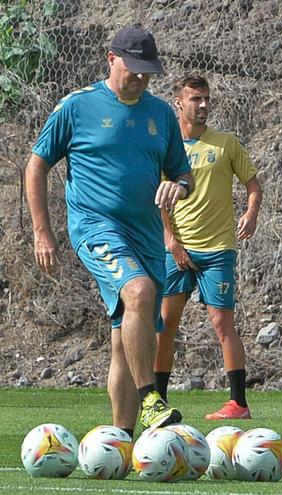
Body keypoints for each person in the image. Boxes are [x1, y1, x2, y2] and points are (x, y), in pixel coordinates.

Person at [25, 26, 193, 435]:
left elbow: (184, 174)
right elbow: (36, 165)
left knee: (124, 340)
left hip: (146, 238)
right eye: (133, 69)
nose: (140, 78)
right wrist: (42, 231)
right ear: (111, 59)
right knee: (138, 291)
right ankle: (153, 399)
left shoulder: (160, 115)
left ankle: (123, 441)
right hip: (95, 227)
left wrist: (180, 185)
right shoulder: (77, 107)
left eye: (147, 72)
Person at [153, 74, 262, 420]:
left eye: (206, 99)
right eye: (195, 99)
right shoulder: (166, 150)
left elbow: (253, 186)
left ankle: (238, 403)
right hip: (178, 252)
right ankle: (156, 401)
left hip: (217, 250)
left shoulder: (225, 144)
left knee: (221, 322)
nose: (202, 105)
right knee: (165, 324)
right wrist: (171, 241)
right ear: (179, 104)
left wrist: (251, 213)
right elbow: (158, 202)